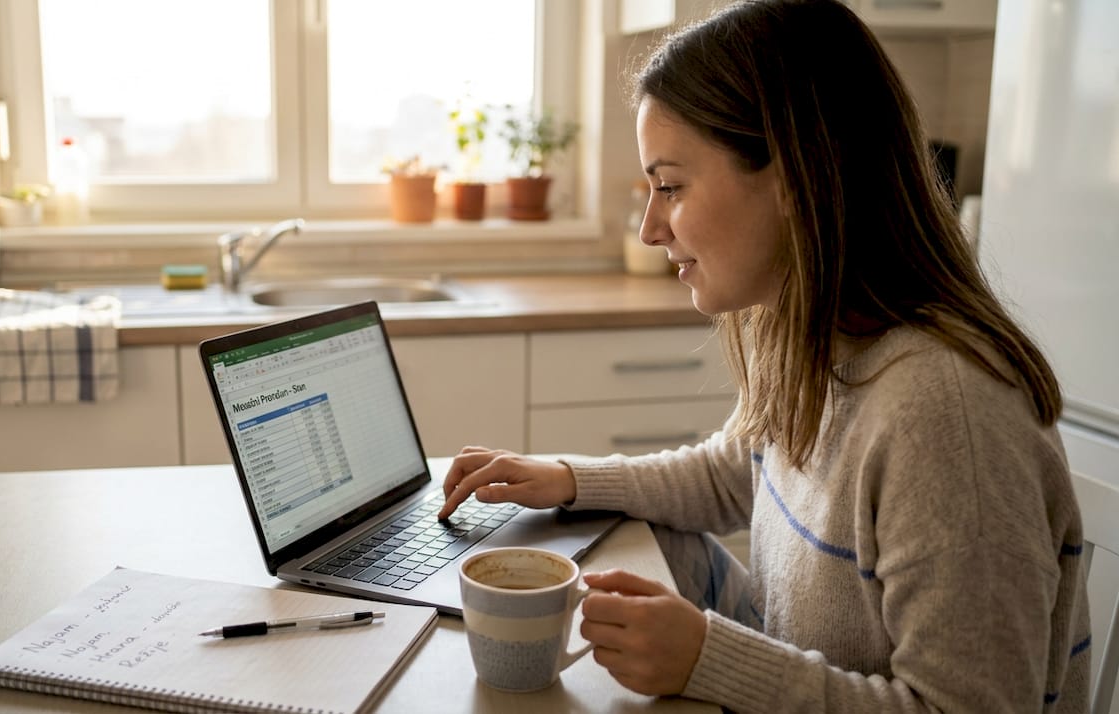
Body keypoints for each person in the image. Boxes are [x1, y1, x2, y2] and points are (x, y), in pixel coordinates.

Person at [437, 0, 1093, 711]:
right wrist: (568, 478)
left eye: (670, 186)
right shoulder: (809, 332)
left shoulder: (944, 415)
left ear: (792, 178)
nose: (652, 226)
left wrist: (708, 661)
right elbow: (734, 475)